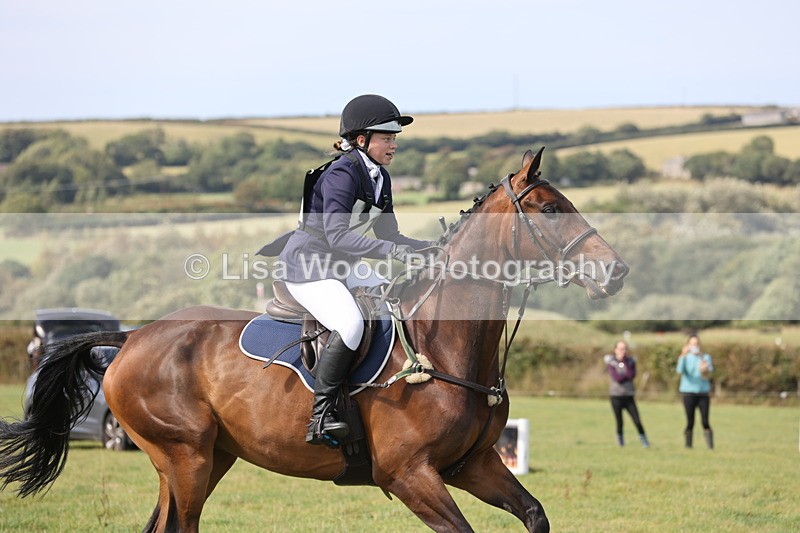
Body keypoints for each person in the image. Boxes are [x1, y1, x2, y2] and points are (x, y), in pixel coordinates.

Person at [264, 94, 432, 447]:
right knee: (351, 323)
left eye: (394, 138)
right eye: (387, 137)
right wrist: (395, 252)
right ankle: (321, 414)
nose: (393, 144)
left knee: (398, 298)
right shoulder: (341, 173)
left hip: (342, 266)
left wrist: (431, 249)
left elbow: (390, 234)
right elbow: (336, 236)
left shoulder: (380, 178)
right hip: (309, 267)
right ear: (361, 141)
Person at [603, 340, 650, 448]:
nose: (622, 351)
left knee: (637, 420)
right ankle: (621, 442)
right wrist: (625, 375)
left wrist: (624, 363)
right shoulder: (611, 362)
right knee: (619, 421)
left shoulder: (630, 362)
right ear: (615, 350)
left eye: (624, 349)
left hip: (629, 396)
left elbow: (631, 375)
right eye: (620, 348)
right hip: (616, 396)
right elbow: (617, 378)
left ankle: (644, 441)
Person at [676, 334, 714, 449]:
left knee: (705, 420)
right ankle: (688, 445)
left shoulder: (705, 357)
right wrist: (682, 355)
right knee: (690, 421)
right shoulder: (685, 357)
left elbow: (710, 371)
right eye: (692, 344)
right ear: (688, 345)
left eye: (696, 344)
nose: (695, 346)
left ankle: (710, 446)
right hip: (688, 392)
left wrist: (704, 366)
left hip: (703, 392)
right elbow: (679, 370)